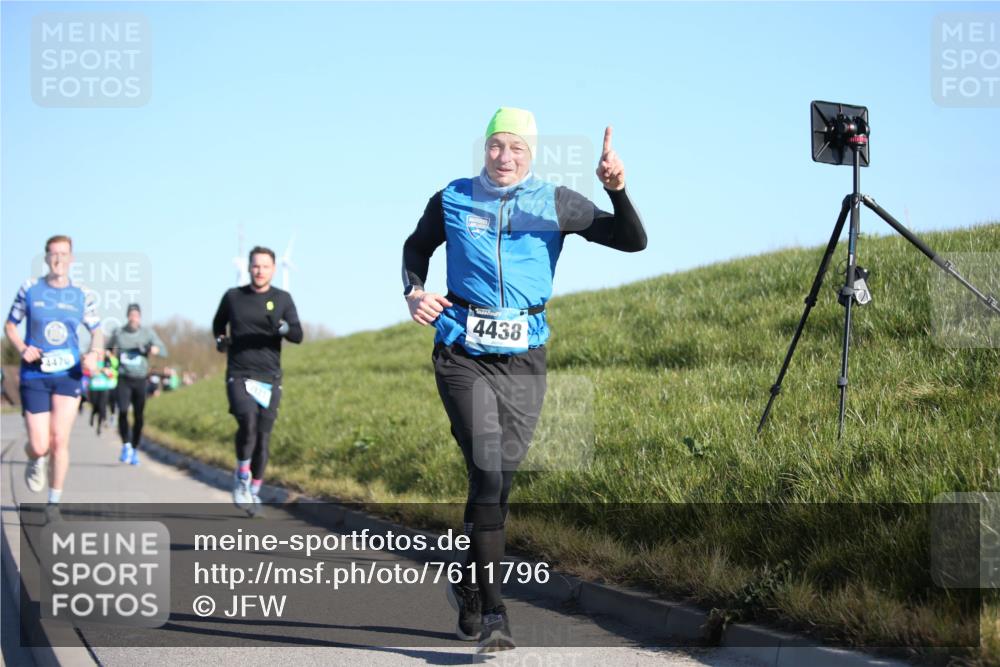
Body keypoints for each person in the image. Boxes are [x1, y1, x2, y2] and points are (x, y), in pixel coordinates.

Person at [401, 108, 646, 651]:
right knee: (488, 470)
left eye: (516, 147)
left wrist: (618, 190)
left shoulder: (555, 202)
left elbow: (632, 241)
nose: (504, 156)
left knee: (498, 482)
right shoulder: (453, 198)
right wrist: (414, 291)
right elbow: (416, 246)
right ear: (483, 148)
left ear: (531, 153)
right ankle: (495, 614)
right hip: (461, 350)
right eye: (496, 145)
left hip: (524, 358)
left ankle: (468, 583)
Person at [4, 235, 101, 520]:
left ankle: (53, 504)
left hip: (68, 374)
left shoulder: (82, 294)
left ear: (72, 258)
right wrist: (22, 348)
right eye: (54, 254)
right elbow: (10, 325)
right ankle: (35, 457)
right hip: (35, 373)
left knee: (59, 440)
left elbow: (96, 329)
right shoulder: (30, 289)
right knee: (39, 445)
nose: (59, 259)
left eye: (64, 254)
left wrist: (95, 353)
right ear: (46, 258)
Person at [213, 246, 302, 517]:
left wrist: (283, 328)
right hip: (239, 372)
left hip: (270, 378)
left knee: (263, 439)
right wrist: (221, 340)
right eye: (255, 265)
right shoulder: (233, 297)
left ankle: (254, 491)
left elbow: (298, 334)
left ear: (273, 269)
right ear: (248, 267)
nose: (259, 271)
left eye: (265, 266)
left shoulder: (283, 298)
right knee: (248, 423)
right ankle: (242, 476)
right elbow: (218, 325)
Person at [108, 303, 167, 465]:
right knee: (123, 411)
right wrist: (108, 360)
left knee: (139, 416)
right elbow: (107, 348)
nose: (133, 318)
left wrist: (154, 349)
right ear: (127, 316)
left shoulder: (147, 333)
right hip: (123, 378)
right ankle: (126, 445)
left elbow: (163, 350)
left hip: (140, 379)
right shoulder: (119, 333)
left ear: (140, 317)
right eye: (131, 315)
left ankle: (134, 448)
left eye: (136, 316)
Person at [88, 350, 118, 435]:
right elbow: (90, 373)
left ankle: (99, 426)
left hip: (104, 388)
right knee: (95, 406)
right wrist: (101, 370)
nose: (100, 356)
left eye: (102, 354)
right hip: (94, 388)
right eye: (99, 354)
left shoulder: (107, 362)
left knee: (102, 407)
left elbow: (110, 375)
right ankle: (93, 414)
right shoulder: (93, 362)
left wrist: (104, 372)